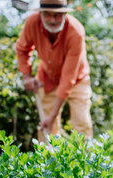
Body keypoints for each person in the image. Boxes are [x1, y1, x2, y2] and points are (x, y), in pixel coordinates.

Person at [15, 0, 93, 141]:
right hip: (48, 77)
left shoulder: (76, 31)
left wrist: (53, 116)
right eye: (48, 15)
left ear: (65, 14)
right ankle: (48, 161)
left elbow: (68, 78)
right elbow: (22, 48)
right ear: (41, 13)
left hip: (77, 80)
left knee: (81, 122)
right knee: (47, 128)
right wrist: (26, 76)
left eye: (57, 15)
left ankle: (83, 160)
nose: (53, 20)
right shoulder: (32, 23)